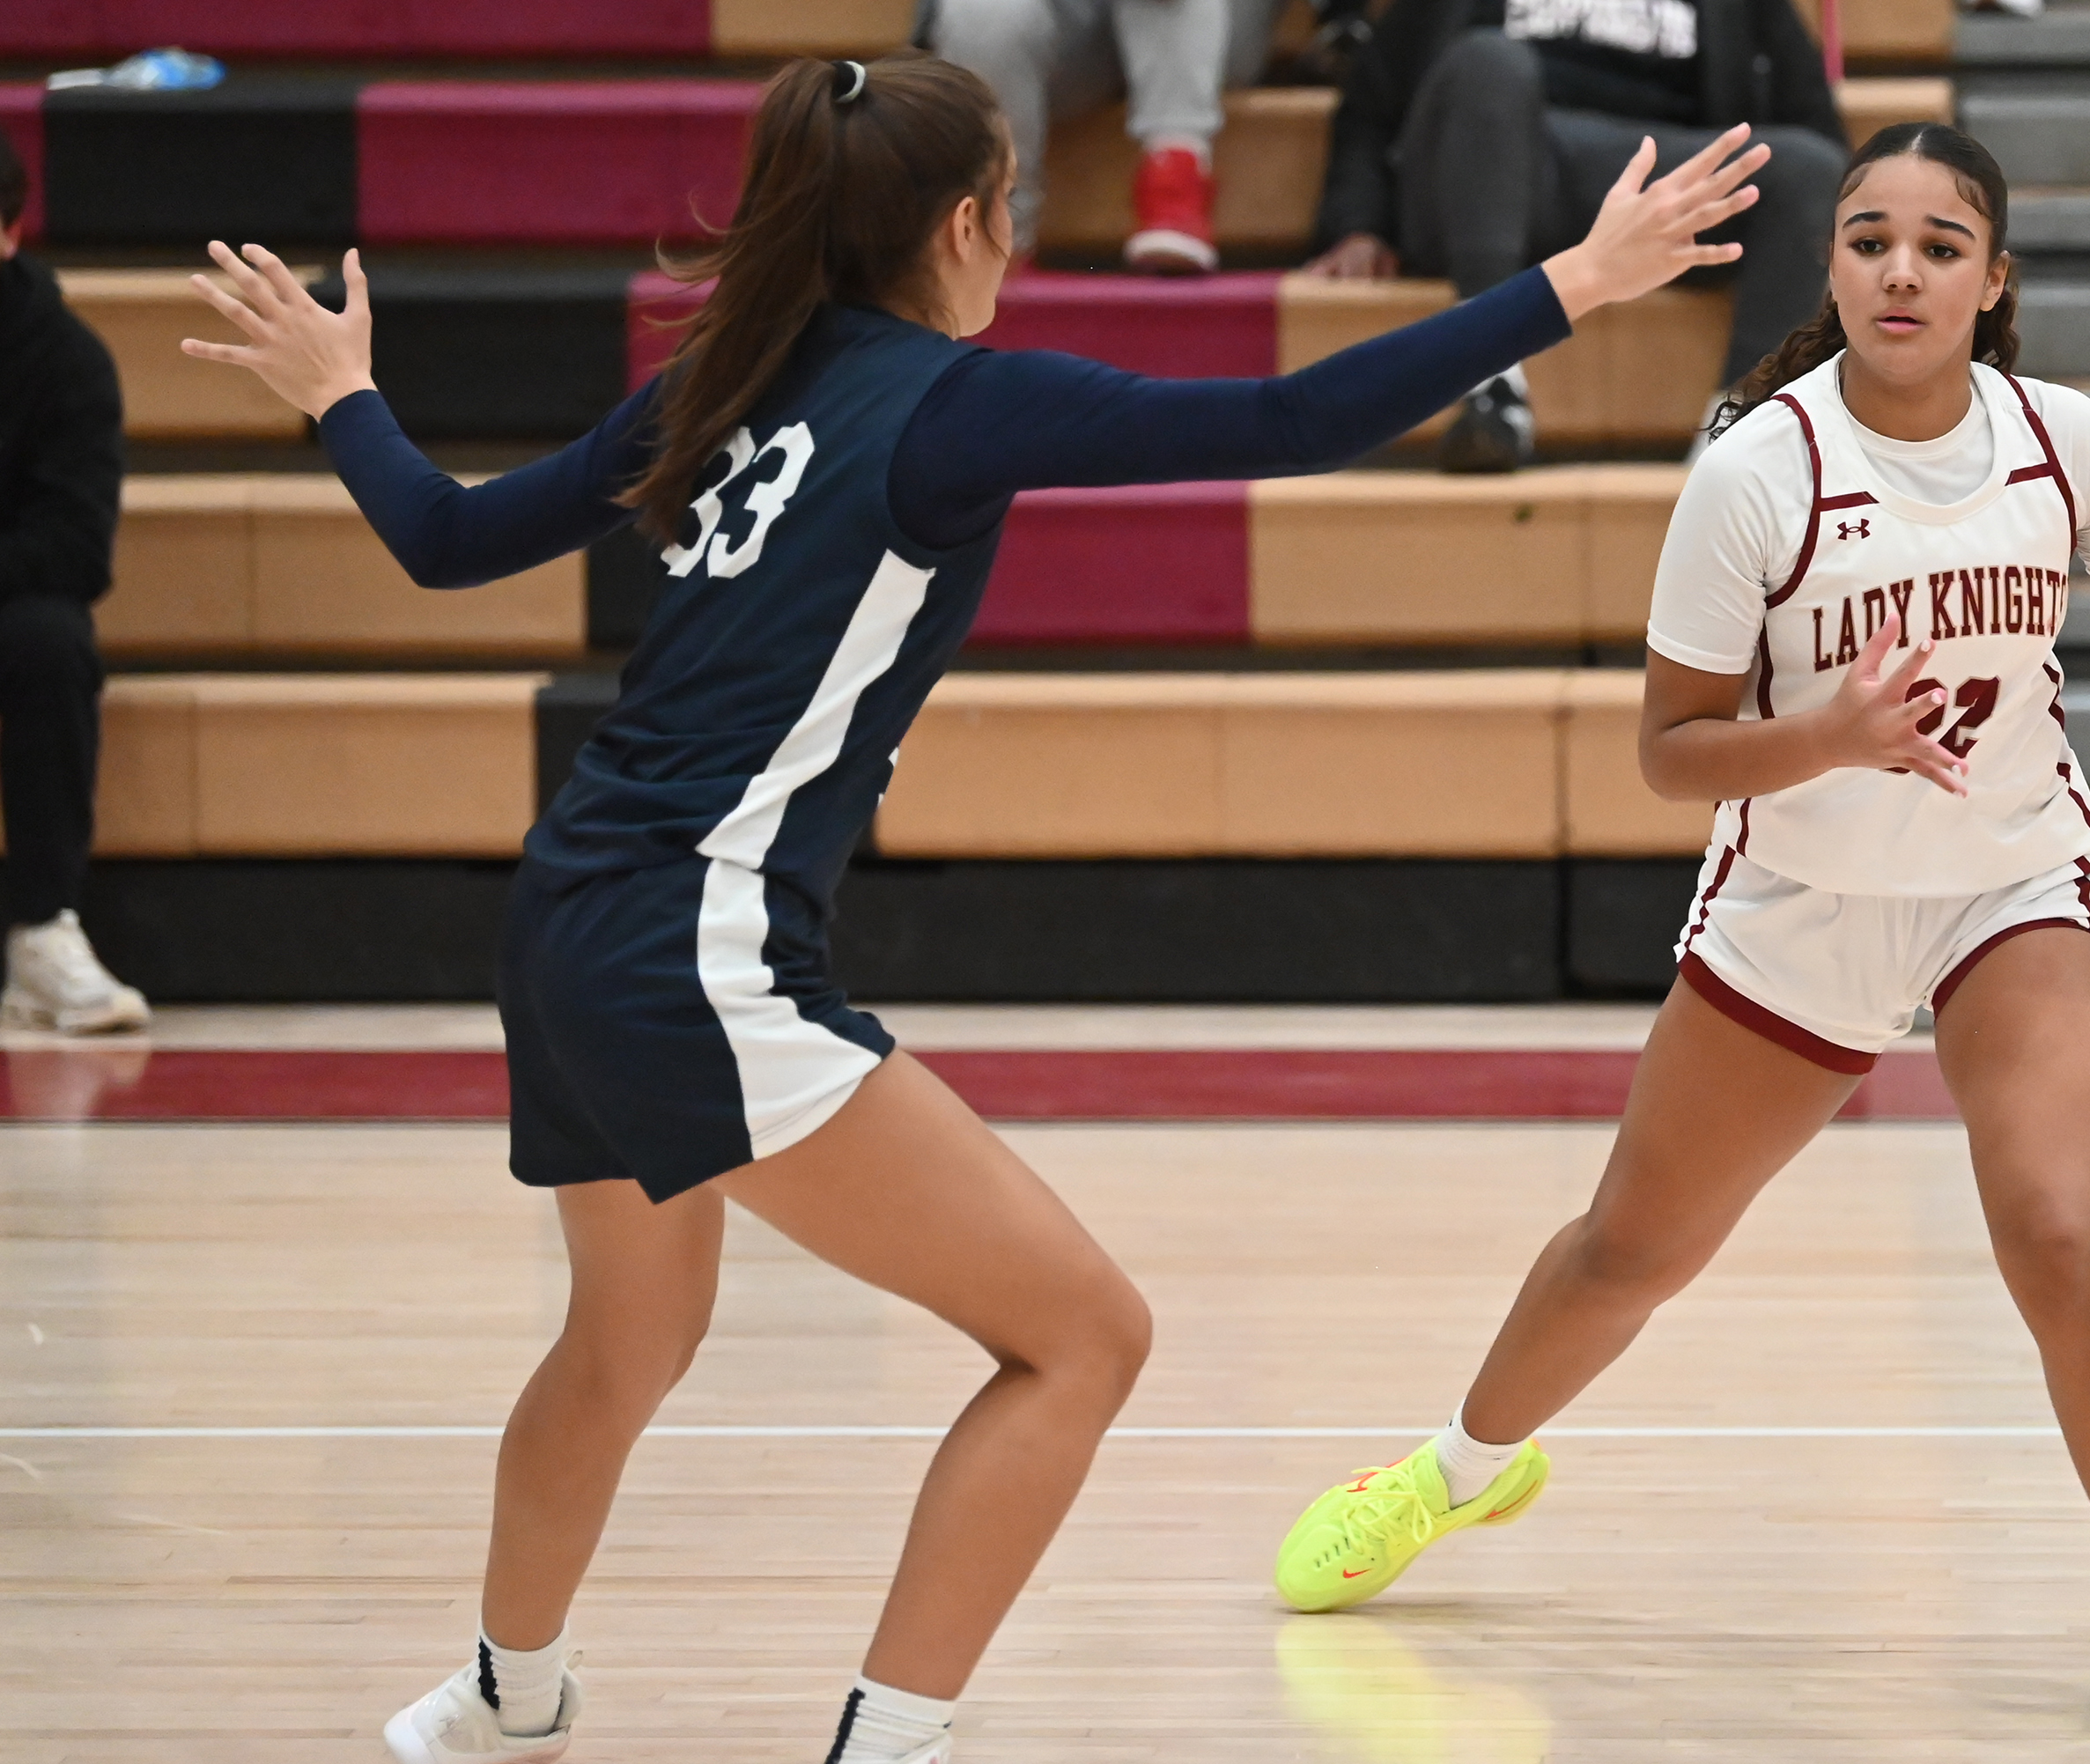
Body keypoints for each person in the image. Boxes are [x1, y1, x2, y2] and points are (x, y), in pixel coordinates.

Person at [182, 52, 1768, 1764]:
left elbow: (443, 535)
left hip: (564, 916)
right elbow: (1284, 422)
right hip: (694, 943)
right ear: (961, 222)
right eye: (1009, 200)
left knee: (627, 1334)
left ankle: (507, 1692)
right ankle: (892, 1734)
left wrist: (344, 392)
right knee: (1083, 1334)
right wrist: (1572, 285)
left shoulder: (719, 377)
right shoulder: (951, 401)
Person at [1272, 122, 2090, 1734]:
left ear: (1993, 281)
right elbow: (1668, 754)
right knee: (1628, 1250)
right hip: (1800, 891)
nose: (1902, 268)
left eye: (1941, 244)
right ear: (1834, 267)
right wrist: (1825, 741)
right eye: (1869, 237)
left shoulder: (2066, 442)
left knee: (2057, 1231)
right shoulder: (1755, 471)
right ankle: (1454, 1471)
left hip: (2012, 879)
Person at [1305, 0, 1852, 472]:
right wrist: (1359, 225)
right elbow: (1370, 104)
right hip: (1500, 178)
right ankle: (1490, 385)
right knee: (1488, 61)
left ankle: (1737, 436)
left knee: (1810, 169)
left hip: (1665, 187)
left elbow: (1812, 120)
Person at [0, 131, 151, 1035]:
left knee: (51, 641)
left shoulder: (64, 359)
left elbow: (76, 548)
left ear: (10, 232)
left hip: (9, 602)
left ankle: (41, 931)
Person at [920, 0, 1278, 273]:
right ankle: (997, 229)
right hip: (1064, 39)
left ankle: (1177, 170)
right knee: (983, 14)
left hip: (1211, 31)